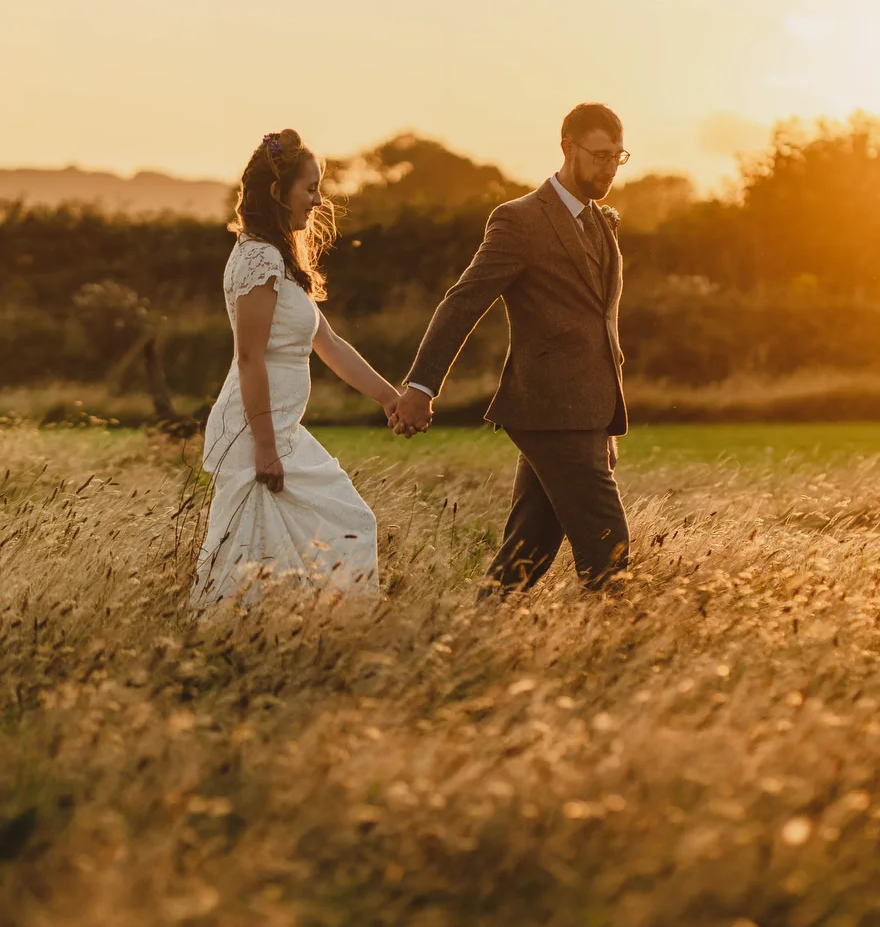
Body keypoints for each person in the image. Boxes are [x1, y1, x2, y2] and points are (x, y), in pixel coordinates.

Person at [391, 103, 632, 591]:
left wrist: (606, 422)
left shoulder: (601, 222)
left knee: (529, 549)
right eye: (600, 155)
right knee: (609, 548)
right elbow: (463, 302)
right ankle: (621, 653)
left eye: (618, 157)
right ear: (567, 148)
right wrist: (420, 386)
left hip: (586, 412)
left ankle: (477, 635)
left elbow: (603, 327)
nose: (609, 167)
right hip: (546, 407)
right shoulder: (520, 220)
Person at [189, 130, 407, 610]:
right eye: (310, 188)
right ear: (276, 193)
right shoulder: (258, 258)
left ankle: (312, 634)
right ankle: (245, 640)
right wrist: (266, 449)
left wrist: (390, 398)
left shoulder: (281, 260)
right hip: (256, 433)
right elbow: (249, 358)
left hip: (282, 430)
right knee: (261, 549)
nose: (317, 199)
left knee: (327, 534)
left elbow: (327, 343)